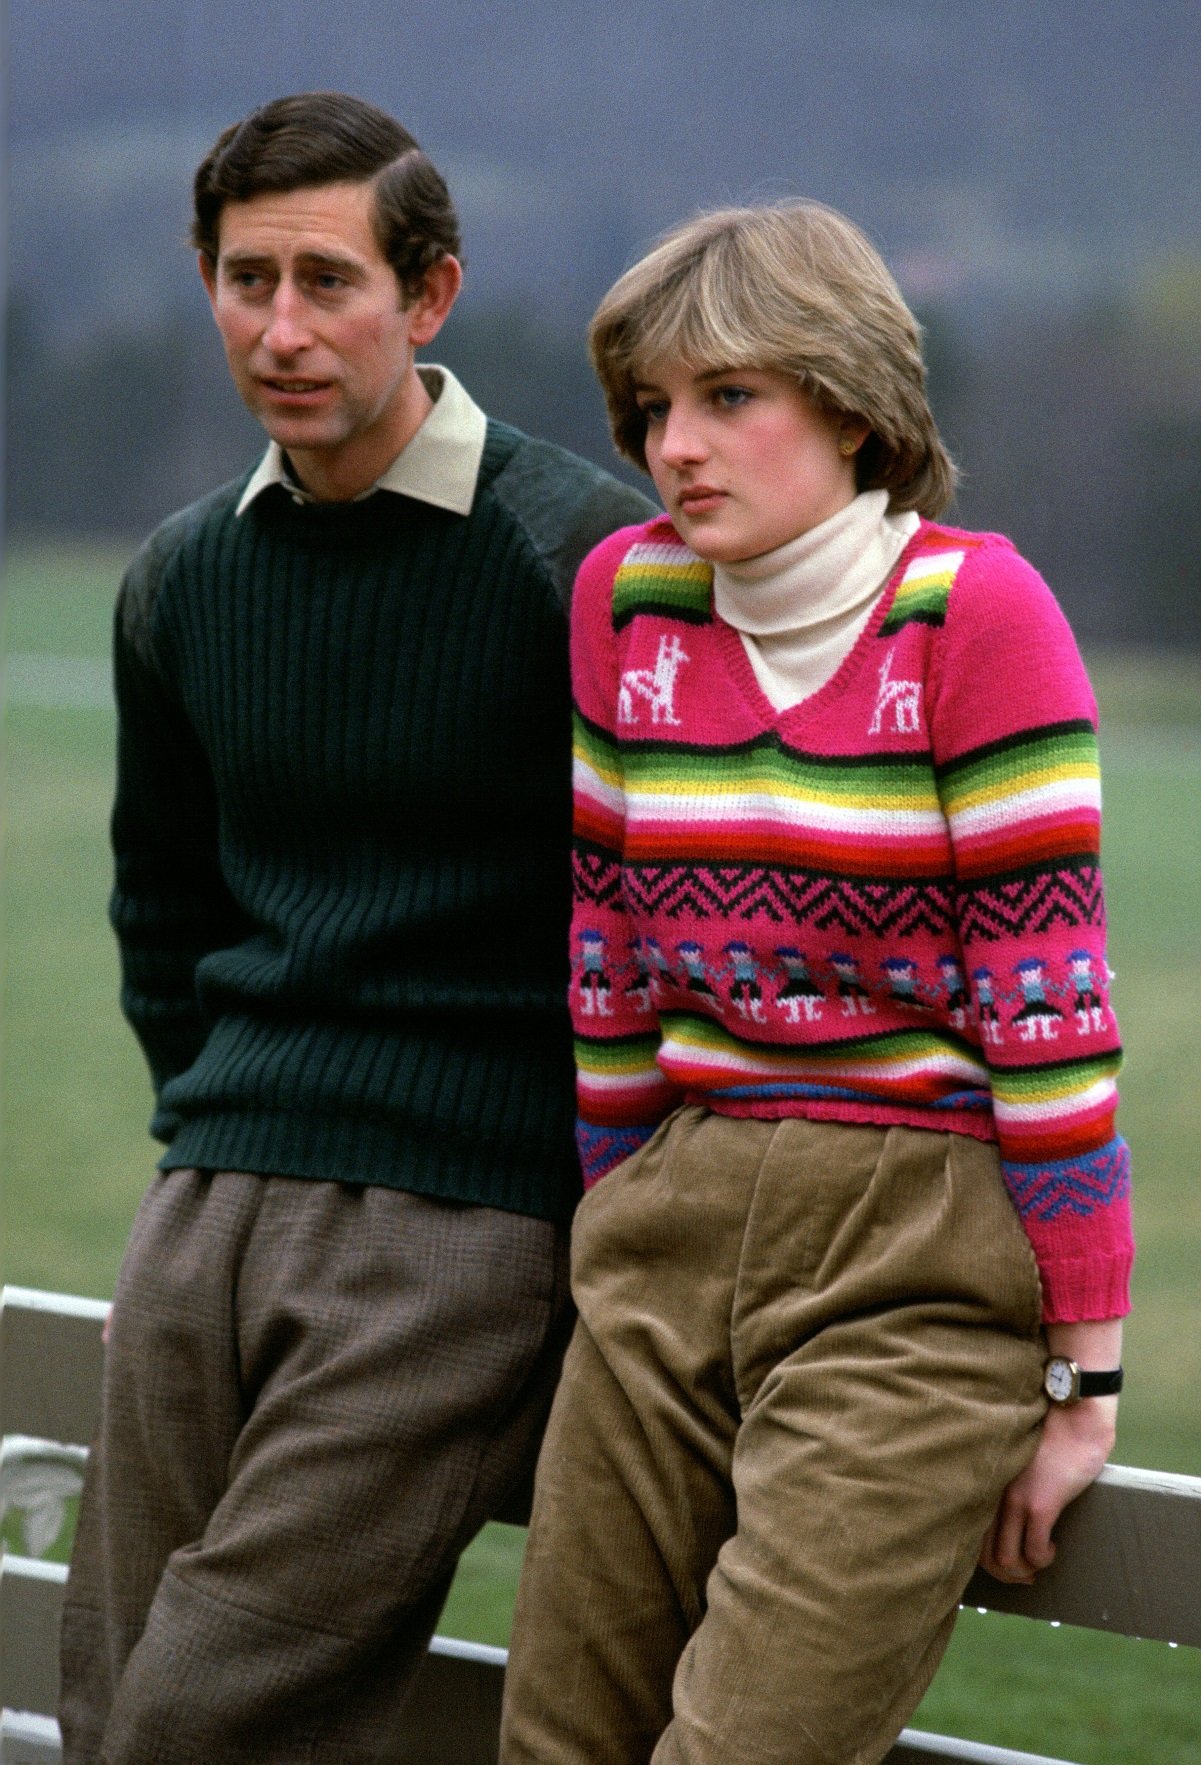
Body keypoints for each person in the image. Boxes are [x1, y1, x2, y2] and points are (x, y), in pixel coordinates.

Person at [58, 91, 654, 1765]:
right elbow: (158, 898)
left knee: (212, 1714)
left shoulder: (583, 557)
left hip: (462, 1222)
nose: (284, 328)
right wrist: (213, 1126)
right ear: (204, 280)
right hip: (205, 1204)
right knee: (111, 1687)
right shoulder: (180, 576)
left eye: (330, 282)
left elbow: (659, 911)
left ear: (431, 295)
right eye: (248, 280)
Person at [499, 201, 1132, 1765]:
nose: (673, 447)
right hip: (667, 1218)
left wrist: (1084, 1375)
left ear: (849, 405)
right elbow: (607, 958)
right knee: (556, 1743)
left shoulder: (975, 617)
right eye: (652, 407)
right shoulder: (624, 603)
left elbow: (1047, 1021)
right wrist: (615, 1224)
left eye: (727, 397)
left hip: (910, 1254)